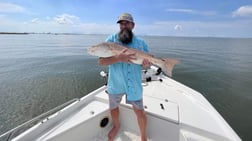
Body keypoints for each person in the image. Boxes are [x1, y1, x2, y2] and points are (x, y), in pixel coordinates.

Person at [98, 13, 151, 141]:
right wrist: (118, 58)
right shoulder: (110, 41)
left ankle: (143, 137)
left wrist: (146, 65)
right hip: (116, 83)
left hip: (134, 83)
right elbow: (101, 62)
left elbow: (146, 66)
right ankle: (117, 126)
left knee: (139, 111)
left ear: (132, 25)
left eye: (126, 23)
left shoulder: (141, 43)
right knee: (114, 108)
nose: (123, 26)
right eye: (121, 23)